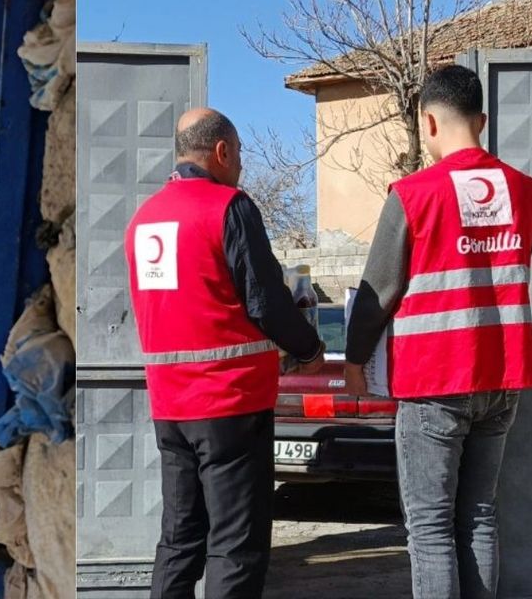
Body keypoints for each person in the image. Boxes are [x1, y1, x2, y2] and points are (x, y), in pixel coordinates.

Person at [345, 65, 532, 599]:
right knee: (480, 516)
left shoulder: (414, 193)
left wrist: (354, 360)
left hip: (434, 382)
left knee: (429, 529)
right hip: (502, 380)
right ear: (482, 121)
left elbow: (378, 290)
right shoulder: (523, 191)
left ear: (427, 122)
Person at [124, 108, 325, 598]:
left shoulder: (144, 218)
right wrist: (310, 348)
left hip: (170, 408)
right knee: (237, 545)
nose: (240, 166)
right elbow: (265, 301)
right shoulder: (228, 207)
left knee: (180, 539)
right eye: (238, 155)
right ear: (222, 151)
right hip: (230, 404)